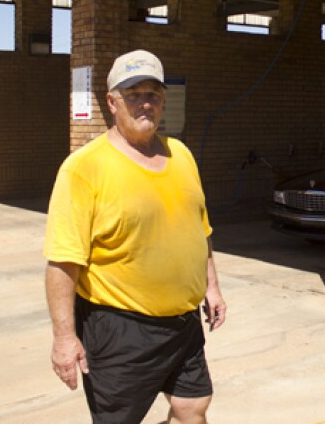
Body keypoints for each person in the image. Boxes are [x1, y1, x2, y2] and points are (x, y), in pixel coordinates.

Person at [44, 49, 227, 424]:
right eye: (134, 95)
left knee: (193, 406)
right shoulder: (83, 169)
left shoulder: (182, 154)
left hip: (183, 321)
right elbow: (63, 261)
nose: (145, 104)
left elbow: (200, 229)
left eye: (154, 95)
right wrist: (64, 338)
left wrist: (212, 286)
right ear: (112, 102)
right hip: (120, 328)